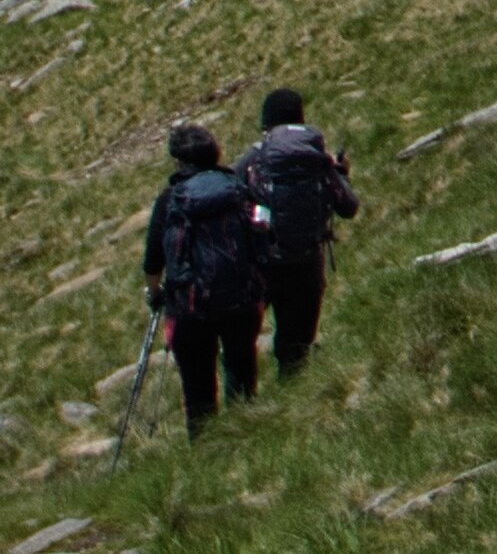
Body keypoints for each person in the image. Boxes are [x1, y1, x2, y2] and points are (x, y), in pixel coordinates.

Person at [144, 120, 267, 436]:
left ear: (178, 161)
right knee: (241, 372)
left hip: (190, 308)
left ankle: (206, 448)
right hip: (242, 298)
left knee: (198, 391)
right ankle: (247, 435)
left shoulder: (171, 199)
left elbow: (153, 261)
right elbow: (262, 230)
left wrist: (155, 293)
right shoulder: (238, 188)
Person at [240, 84, 358, 385]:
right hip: (308, 261)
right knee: (296, 349)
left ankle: (243, 405)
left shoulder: (254, 159)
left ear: (266, 123)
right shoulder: (317, 158)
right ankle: (292, 401)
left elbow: (232, 198)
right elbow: (348, 207)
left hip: (264, 262)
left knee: (241, 347)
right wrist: (341, 174)